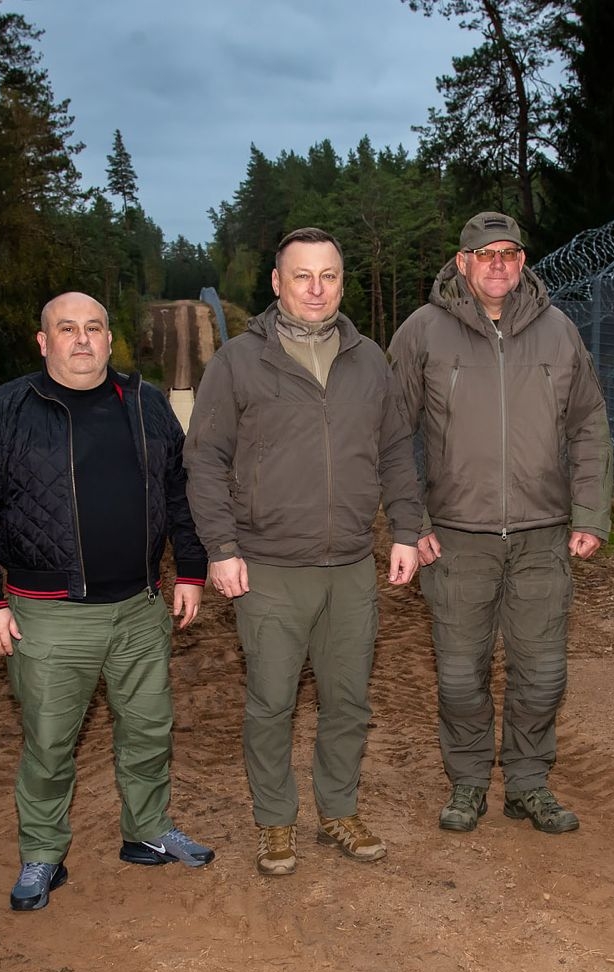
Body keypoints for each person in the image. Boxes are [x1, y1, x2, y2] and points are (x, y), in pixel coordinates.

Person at [0, 291, 213, 912]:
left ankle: (147, 831)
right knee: (48, 743)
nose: (82, 339)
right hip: (47, 614)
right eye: (66, 329)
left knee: (149, 731)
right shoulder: (7, 410)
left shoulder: (145, 404)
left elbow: (181, 494)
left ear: (109, 338)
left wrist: (191, 571)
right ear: (43, 342)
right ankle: (42, 854)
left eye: (94, 327)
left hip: (142, 608)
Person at [184, 227, 424, 876]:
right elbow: (205, 461)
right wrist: (222, 547)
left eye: (328, 277)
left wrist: (406, 528)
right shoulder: (238, 363)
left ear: (343, 284)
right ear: (276, 283)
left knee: (348, 701)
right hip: (267, 568)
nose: (316, 290)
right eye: (302, 276)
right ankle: (275, 822)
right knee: (271, 702)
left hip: (349, 566)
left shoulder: (370, 360)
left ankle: (338, 811)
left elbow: (397, 450)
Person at [390, 211, 612, 835]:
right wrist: (413, 522)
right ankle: (467, 784)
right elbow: (392, 436)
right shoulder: (422, 333)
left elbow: (590, 425)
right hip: (456, 540)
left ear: (522, 262)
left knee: (542, 676)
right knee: (461, 678)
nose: (497, 264)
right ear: (461, 263)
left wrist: (592, 512)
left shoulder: (559, 332)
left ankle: (528, 783)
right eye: (483, 254)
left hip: (543, 535)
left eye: (508, 253)